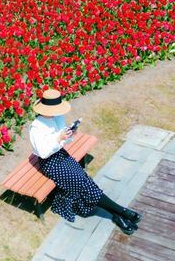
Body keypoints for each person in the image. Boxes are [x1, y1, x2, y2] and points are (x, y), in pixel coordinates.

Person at [29, 88, 141, 235]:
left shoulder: (57, 118)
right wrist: (58, 138)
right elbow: (43, 153)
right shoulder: (36, 127)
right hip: (50, 163)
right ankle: (121, 211)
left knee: (84, 181)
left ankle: (118, 215)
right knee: (83, 182)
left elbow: (64, 141)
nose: (57, 112)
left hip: (61, 155)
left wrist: (70, 134)